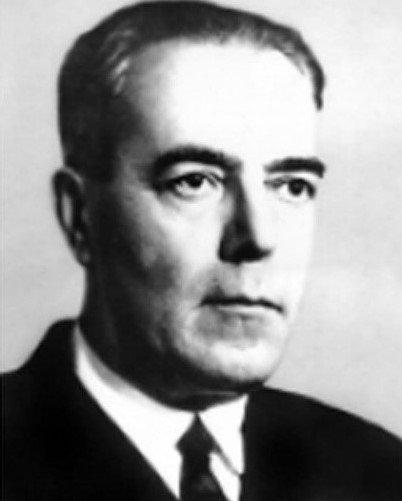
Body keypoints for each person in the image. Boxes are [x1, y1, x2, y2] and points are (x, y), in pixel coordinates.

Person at [3, 1, 402, 500]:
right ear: (80, 216)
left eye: (292, 186)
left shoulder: (378, 474)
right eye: (194, 182)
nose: (258, 237)